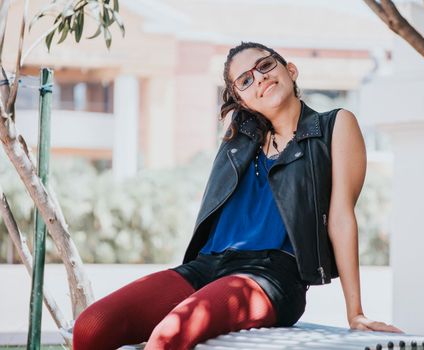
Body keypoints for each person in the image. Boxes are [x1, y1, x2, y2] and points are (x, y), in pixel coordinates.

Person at [72, 41, 403, 350]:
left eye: (265, 66)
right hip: (208, 265)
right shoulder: (240, 137)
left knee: (168, 337)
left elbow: (342, 218)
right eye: (245, 80)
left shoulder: (334, 126)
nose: (259, 78)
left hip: (271, 275)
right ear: (241, 100)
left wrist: (355, 312)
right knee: (91, 327)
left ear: (290, 70)